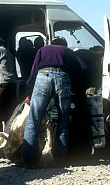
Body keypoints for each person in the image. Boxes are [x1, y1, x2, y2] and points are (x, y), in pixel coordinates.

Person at [22, 37, 86, 168]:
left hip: (42, 77)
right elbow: (82, 68)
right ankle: (60, 160)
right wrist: (73, 86)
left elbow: (33, 72)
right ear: (64, 44)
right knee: (63, 119)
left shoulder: (43, 50)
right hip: (63, 77)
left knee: (33, 120)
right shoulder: (67, 51)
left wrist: (29, 92)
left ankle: (28, 161)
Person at [0, 35, 18, 133]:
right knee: (8, 110)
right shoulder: (8, 51)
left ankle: (3, 133)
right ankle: (9, 131)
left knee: (1, 110)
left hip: (4, 83)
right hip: (12, 83)